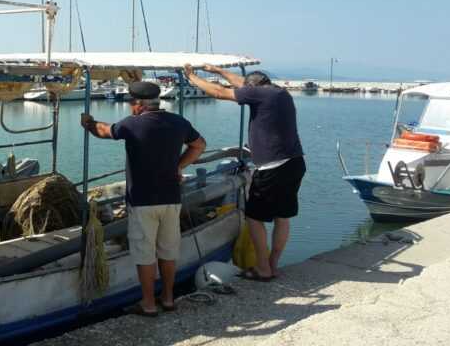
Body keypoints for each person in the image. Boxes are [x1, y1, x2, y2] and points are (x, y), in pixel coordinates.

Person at [80, 81, 206, 316]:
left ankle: (148, 303)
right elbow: (199, 145)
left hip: (142, 201)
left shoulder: (133, 124)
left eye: (130, 103)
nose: (130, 107)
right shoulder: (179, 122)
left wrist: (88, 123)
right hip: (171, 199)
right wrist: (179, 165)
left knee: (145, 253)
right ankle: (168, 299)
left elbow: (104, 131)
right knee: (169, 251)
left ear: (138, 105)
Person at [183, 64, 305, 281]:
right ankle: (273, 266)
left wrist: (192, 77)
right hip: (294, 163)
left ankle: (263, 268)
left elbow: (219, 92)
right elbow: (241, 83)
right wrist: (217, 71)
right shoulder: (278, 92)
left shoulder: (260, 95)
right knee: (282, 217)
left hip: (272, 168)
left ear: (254, 89)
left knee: (254, 218)